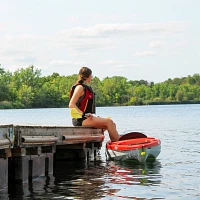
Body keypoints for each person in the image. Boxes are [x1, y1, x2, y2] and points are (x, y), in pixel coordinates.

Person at [69, 67, 120, 141]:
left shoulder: (85, 87)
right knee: (109, 122)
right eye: (91, 76)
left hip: (86, 117)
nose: (91, 77)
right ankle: (118, 145)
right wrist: (84, 114)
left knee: (112, 124)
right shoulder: (80, 88)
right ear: (89, 76)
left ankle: (114, 143)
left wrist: (93, 117)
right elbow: (71, 104)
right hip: (80, 119)